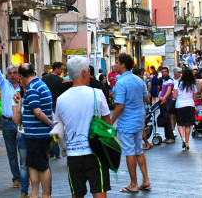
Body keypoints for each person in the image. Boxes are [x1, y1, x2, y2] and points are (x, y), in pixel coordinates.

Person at [56, 55, 112, 198]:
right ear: (84, 73)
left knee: (77, 194)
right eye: (87, 70)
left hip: (73, 154)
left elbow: (59, 126)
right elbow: (107, 124)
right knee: (99, 192)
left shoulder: (61, 100)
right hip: (95, 153)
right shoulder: (97, 94)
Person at [109, 53, 151, 193]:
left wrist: (110, 122)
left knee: (129, 151)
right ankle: (145, 179)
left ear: (123, 64)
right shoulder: (139, 80)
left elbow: (120, 106)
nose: (115, 64)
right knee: (138, 149)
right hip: (139, 119)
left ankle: (134, 183)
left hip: (127, 121)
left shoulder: (121, 83)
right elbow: (146, 98)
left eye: (117, 61)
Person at [16, 63, 53, 198]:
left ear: (21, 76)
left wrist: (50, 124)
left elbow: (37, 111)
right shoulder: (41, 85)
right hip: (33, 134)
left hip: (37, 134)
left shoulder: (32, 88)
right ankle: (34, 193)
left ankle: (45, 195)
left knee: (42, 165)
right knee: (32, 164)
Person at [0, 58, 24, 190]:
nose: (12, 75)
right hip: (7, 122)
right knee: (11, 152)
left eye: (15, 73)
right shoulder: (4, 84)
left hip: (22, 123)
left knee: (23, 152)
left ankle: (25, 177)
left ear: (19, 74)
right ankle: (16, 178)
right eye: (10, 73)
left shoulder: (24, 86)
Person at [41, 62, 69, 160]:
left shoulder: (44, 79)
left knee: (47, 128)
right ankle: (57, 153)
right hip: (56, 107)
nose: (62, 71)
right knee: (57, 129)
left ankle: (49, 151)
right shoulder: (60, 81)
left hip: (46, 106)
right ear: (56, 69)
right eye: (61, 69)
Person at [172, 68, 197, 150]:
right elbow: (195, 98)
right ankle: (187, 142)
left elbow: (175, 96)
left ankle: (182, 137)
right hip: (190, 105)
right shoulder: (193, 85)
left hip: (180, 105)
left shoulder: (178, 84)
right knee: (188, 124)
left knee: (180, 124)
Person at [156, 67, 176, 144]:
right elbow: (162, 90)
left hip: (167, 102)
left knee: (167, 119)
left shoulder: (170, 80)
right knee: (165, 119)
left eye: (165, 72)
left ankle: (171, 137)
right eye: (163, 72)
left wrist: (164, 97)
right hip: (163, 101)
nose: (164, 73)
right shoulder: (164, 80)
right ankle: (167, 136)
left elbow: (169, 90)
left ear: (168, 72)